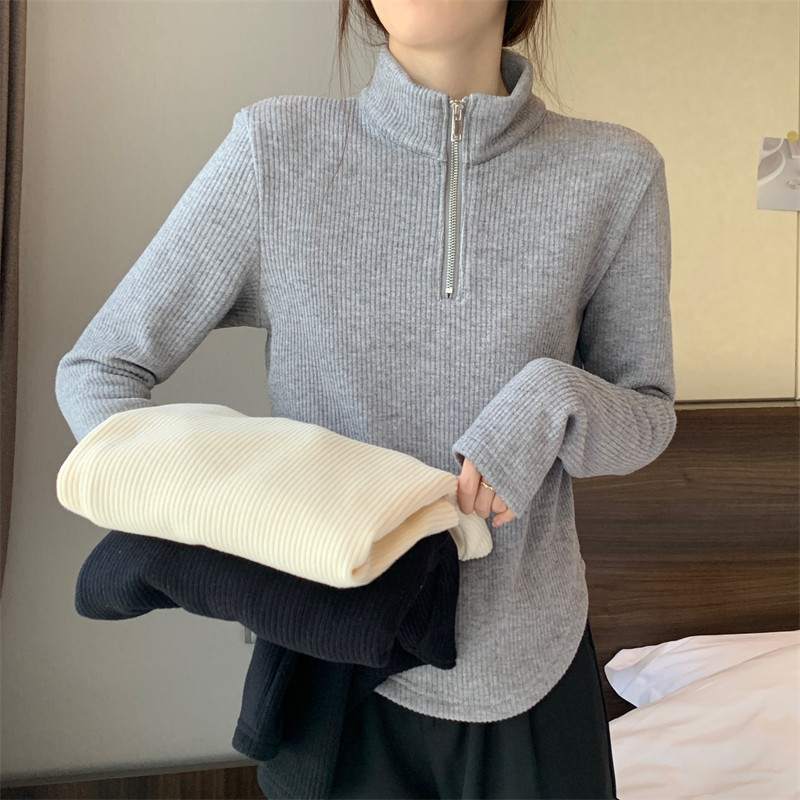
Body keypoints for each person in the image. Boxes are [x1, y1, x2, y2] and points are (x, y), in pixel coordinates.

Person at [55, 0, 677, 797]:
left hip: (530, 673)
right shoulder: (277, 148)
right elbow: (100, 367)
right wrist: (241, 518)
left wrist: (552, 399)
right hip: (327, 678)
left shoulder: (615, 171)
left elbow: (647, 410)